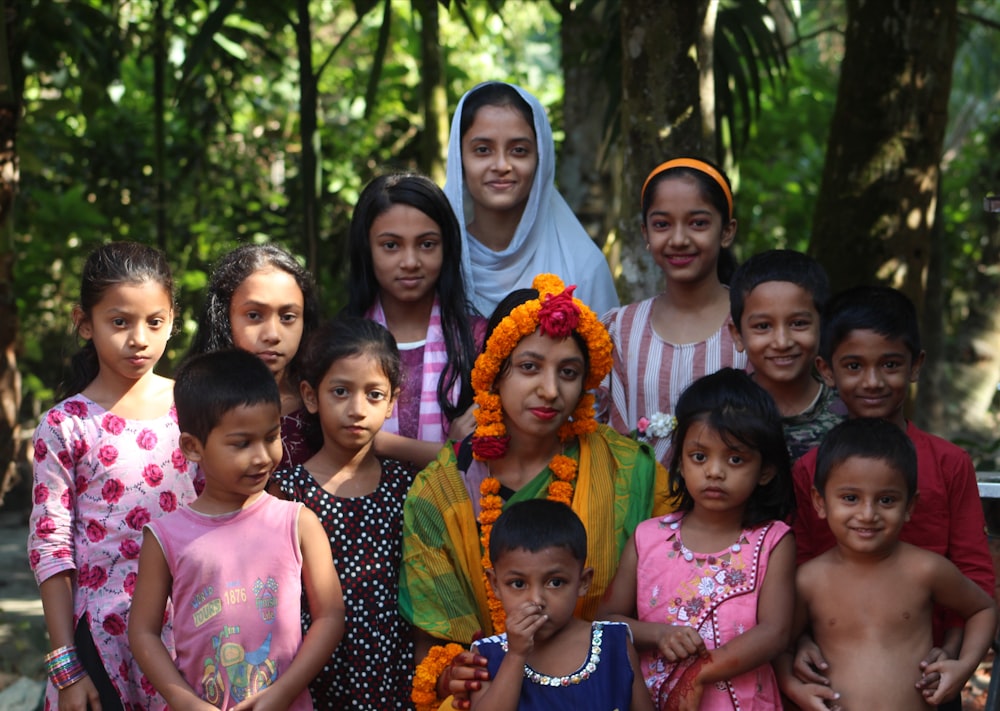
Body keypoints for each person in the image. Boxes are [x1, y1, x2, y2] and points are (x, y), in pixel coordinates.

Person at [400, 274, 669, 711]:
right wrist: (453, 669)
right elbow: (432, 644)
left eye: (568, 372)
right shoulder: (442, 490)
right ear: (494, 371)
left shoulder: (628, 470)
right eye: (530, 367)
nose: (550, 390)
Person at [787, 285, 995, 710]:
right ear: (827, 371)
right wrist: (800, 642)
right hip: (831, 674)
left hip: (932, 675)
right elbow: (801, 565)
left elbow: (974, 574)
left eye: (891, 364)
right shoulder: (811, 469)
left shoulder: (949, 463)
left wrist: (956, 653)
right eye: (854, 366)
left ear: (915, 365)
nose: (873, 381)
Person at [28, 241, 201, 710]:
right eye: (119, 321)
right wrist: (67, 668)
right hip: (101, 644)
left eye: (154, 322)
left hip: (193, 633)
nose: (139, 338)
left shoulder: (198, 407)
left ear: (172, 320)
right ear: (84, 322)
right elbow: (51, 549)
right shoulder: (65, 426)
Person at [128, 349, 345, 710]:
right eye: (242, 443)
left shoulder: (297, 522)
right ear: (192, 447)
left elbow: (330, 616)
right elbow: (143, 631)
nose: (262, 456)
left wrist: (282, 692)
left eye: (271, 436)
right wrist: (184, 701)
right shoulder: (165, 537)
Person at [599, 368, 796, 710]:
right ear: (680, 460)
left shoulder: (772, 540)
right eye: (699, 456)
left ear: (765, 470)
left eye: (735, 459)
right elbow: (607, 621)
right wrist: (659, 634)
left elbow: (775, 632)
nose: (714, 471)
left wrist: (700, 673)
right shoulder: (649, 537)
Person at [776, 417, 996, 710]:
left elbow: (982, 608)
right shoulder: (808, 581)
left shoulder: (925, 570)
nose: (868, 514)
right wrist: (794, 688)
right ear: (819, 501)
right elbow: (779, 645)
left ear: (910, 507)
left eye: (887, 500)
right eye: (851, 498)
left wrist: (965, 665)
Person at [270, 317, 417, 709]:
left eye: (373, 394)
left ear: (392, 402)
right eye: (340, 391)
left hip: (395, 670)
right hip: (312, 673)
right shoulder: (287, 490)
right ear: (311, 396)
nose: (356, 408)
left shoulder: (407, 486)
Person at [602, 158, 747, 466]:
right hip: (635, 509)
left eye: (698, 223)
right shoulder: (620, 329)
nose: (679, 239)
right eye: (662, 224)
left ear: (726, 231)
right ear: (645, 234)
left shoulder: (753, 325)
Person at [344, 172, 485, 469]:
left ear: (447, 249)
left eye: (427, 244)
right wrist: (449, 450)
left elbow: (488, 448)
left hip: (456, 510)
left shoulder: (477, 340)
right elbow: (338, 439)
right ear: (366, 250)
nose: (410, 262)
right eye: (391, 246)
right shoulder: (339, 341)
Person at [443, 81, 618, 318]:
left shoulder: (582, 266)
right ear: (459, 158)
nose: (502, 165)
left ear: (541, 159)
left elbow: (604, 353)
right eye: (483, 150)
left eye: (519, 150)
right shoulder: (437, 257)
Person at [469, 499, 654, 711]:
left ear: (583, 582)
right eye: (518, 584)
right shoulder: (486, 656)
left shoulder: (614, 645)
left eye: (555, 582)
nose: (536, 600)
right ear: (495, 584)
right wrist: (515, 655)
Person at [188, 243, 322, 468]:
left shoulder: (321, 404)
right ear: (224, 318)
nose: (272, 334)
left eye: (288, 317)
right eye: (254, 315)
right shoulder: (190, 405)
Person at [727, 249, 846, 461]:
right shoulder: (721, 412)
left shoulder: (849, 413)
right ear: (738, 336)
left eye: (798, 324)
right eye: (763, 326)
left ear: (824, 327)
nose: (782, 342)